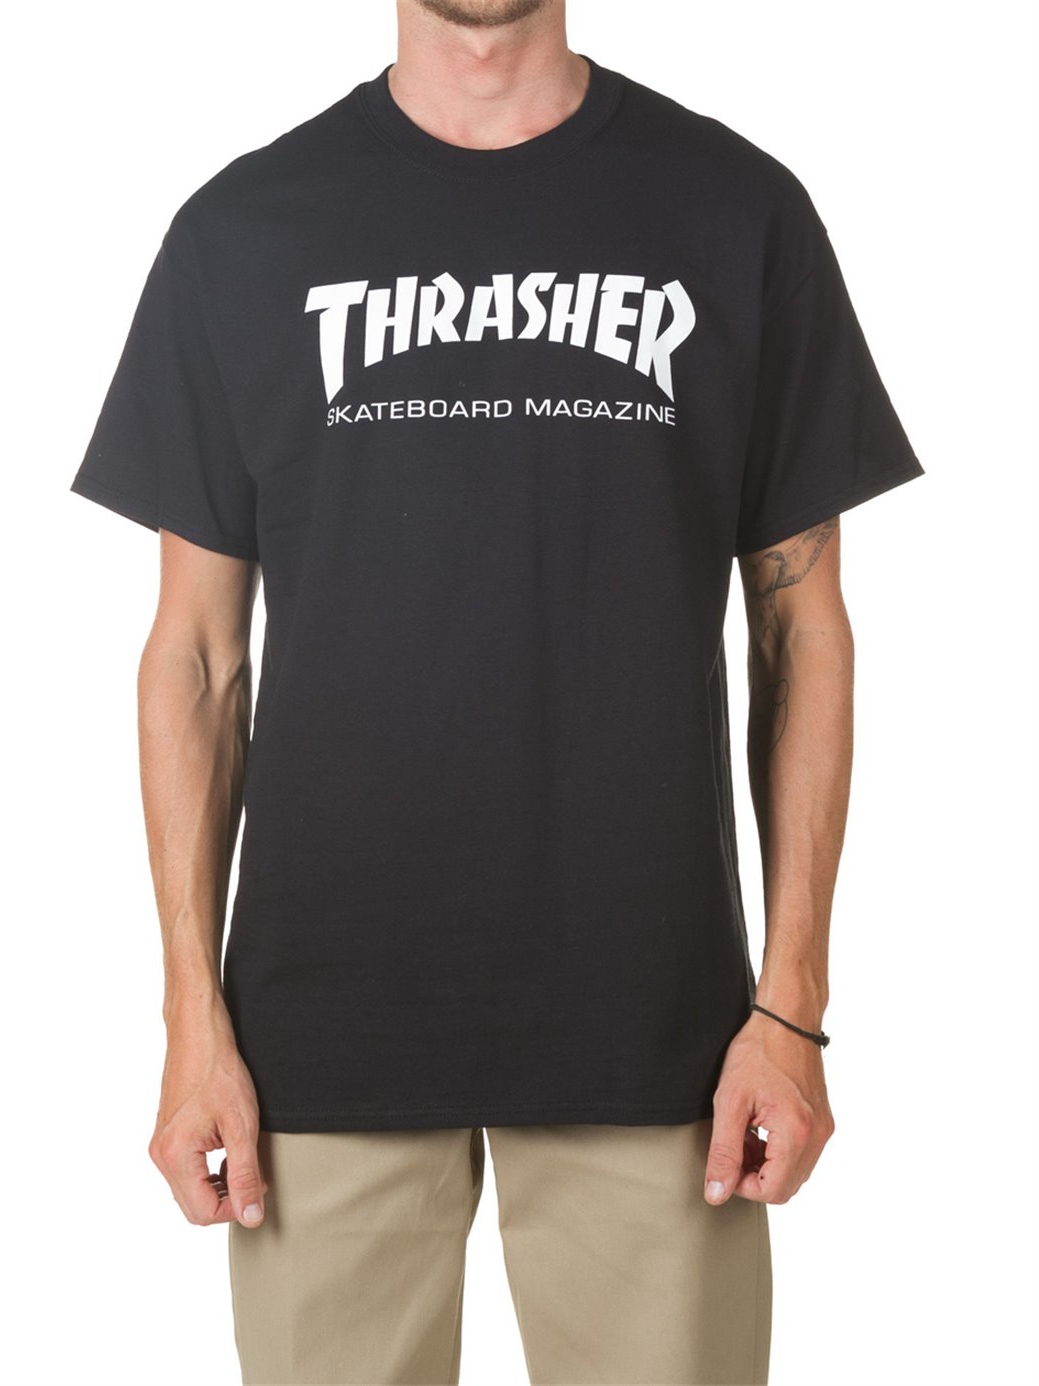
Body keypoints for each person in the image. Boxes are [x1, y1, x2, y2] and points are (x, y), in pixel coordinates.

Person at [69, 1, 925, 1381]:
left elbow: (805, 628)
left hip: (663, 1044)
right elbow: (196, 658)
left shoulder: (735, 211)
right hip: (317, 1046)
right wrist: (190, 1021)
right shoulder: (243, 231)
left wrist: (790, 1006)